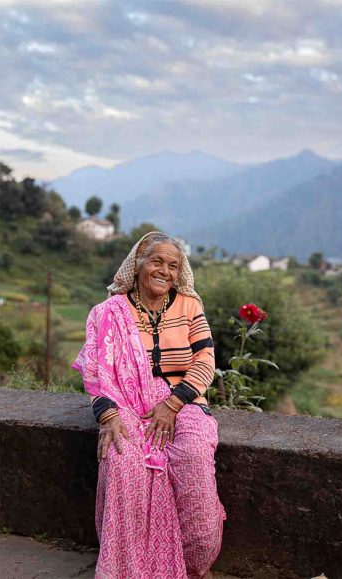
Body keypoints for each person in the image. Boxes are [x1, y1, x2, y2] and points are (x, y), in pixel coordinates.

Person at [73, 231, 225, 578]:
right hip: (125, 401)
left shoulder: (189, 306)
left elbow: (205, 359)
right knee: (121, 456)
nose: (165, 271)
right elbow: (97, 372)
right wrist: (108, 415)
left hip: (183, 400)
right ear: (137, 263)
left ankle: (192, 561)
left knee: (193, 455)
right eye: (157, 261)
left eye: (174, 265)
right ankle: (127, 566)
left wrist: (173, 403)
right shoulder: (109, 312)